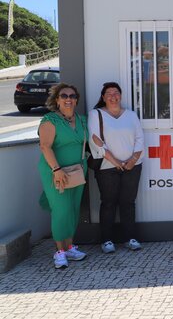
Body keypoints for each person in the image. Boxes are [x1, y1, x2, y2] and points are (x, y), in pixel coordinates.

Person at [88, 82, 144, 253]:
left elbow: (140, 138)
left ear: (121, 95)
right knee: (108, 203)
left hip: (132, 166)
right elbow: (95, 140)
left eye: (116, 93)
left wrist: (133, 160)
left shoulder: (131, 115)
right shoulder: (95, 114)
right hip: (107, 167)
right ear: (103, 97)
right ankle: (106, 240)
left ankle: (130, 238)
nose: (113, 96)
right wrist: (115, 161)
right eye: (109, 93)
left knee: (128, 202)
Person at [38, 83, 88, 269]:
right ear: (57, 100)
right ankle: (59, 251)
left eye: (72, 96)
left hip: (77, 171)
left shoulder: (82, 120)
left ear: (76, 100)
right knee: (61, 209)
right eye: (64, 96)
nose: (69, 99)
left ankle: (69, 247)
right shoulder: (50, 120)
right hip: (56, 171)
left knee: (73, 209)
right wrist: (56, 169)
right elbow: (45, 146)